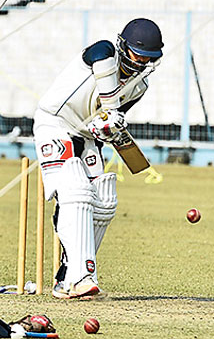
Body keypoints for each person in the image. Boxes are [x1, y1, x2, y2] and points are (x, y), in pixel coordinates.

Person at [33, 18, 163, 298]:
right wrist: (111, 112)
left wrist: (108, 128)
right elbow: (100, 59)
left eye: (147, 58)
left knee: (104, 200)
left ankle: (71, 275)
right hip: (55, 123)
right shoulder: (105, 53)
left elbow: (107, 121)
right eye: (137, 54)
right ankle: (79, 279)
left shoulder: (139, 87)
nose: (140, 62)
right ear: (123, 46)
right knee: (76, 191)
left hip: (86, 135)